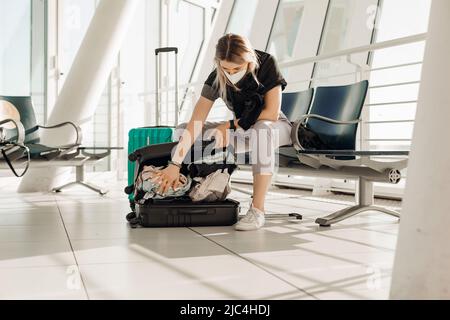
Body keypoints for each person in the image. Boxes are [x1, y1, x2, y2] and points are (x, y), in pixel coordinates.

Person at [152, 33, 293, 231]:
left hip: (275, 127)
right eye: (226, 68)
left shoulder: (267, 63)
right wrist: (175, 163)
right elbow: (196, 121)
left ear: (249, 60)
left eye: (237, 68)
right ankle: (195, 186)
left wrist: (229, 126)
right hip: (242, 130)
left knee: (262, 131)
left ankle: (257, 210)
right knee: (183, 130)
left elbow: (271, 113)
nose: (231, 73)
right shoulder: (217, 76)